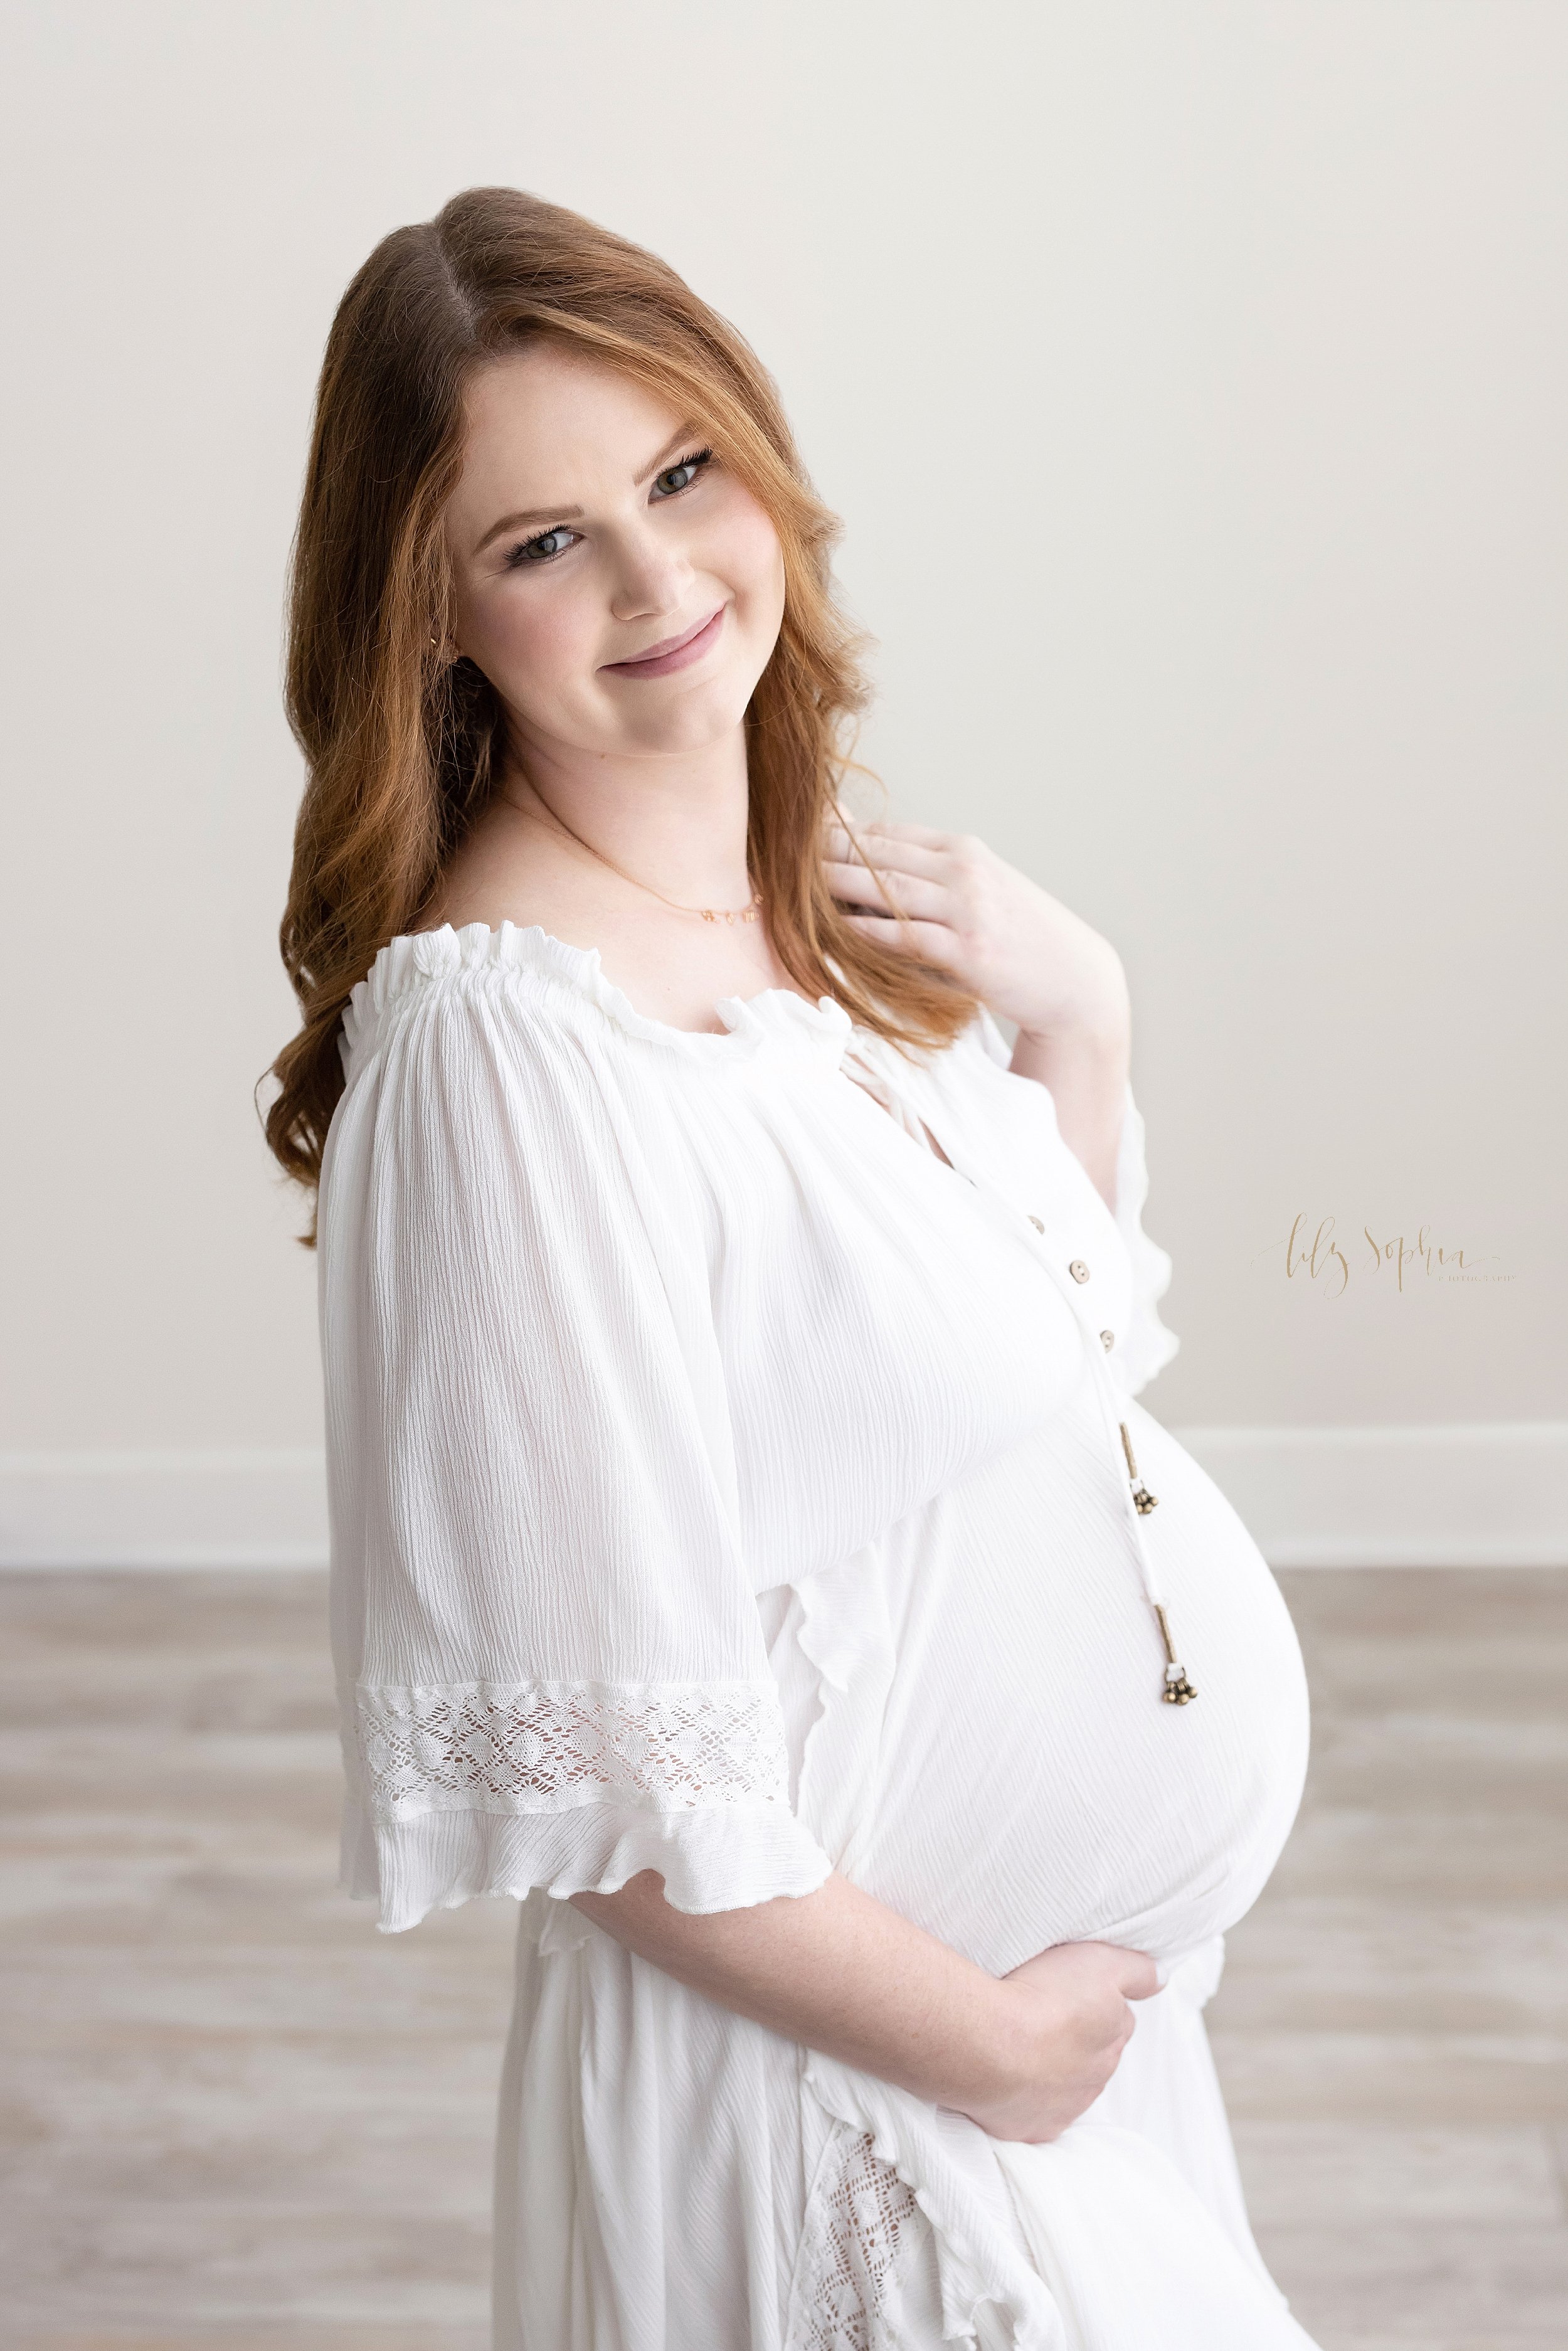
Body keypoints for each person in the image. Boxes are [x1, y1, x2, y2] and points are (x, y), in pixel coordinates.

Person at [266, 186, 1316, 2350]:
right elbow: (603, 1770)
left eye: (678, 474)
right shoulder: (505, 1045)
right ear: (430, 617)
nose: (657, 578)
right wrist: (984, 2050)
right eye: (542, 541)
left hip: (1034, 2063)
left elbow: (1033, 1387)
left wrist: (1077, 1022)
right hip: (862, 2092)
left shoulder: (809, 914)